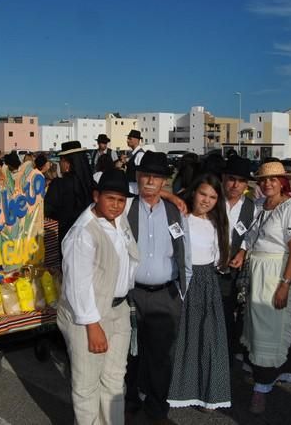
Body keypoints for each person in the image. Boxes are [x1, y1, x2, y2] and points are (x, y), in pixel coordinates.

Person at [58, 169, 138, 425]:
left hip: (119, 309)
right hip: (89, 315)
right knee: (87, 385)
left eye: (121, 200)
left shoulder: (118, 216)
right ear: (96, 196)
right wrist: (93, 326)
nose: (116, 205)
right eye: (110, 198)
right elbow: (76, 285)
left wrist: (174, 198)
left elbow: (148, 195)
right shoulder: (83, 232)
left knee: (115, 379)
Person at [231, 161, 291, 414]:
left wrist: (285, 284)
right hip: (256, 271)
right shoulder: (259, 206)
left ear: (283, 182)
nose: (267, 183)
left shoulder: (290, 208)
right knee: (254, 328)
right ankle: (261, 379)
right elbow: (251, 237)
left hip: (276, 271)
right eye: (263, 180)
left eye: (273, 179)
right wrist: (242, 252)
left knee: (271, 330)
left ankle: (262, 388)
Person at [124, 151, 191, 424]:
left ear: (165, 179)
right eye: (146, 175)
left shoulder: (176, 211)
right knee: (129, 354)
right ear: (138, 177)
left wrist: (181, 295)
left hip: (166, 295)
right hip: (131, 294)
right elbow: (103, 183)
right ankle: (129, 402)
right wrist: (168, 194)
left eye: (157, 176)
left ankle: (157, 407)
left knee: (162, 357)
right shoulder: (126, 204)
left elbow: (185, 254)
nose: (151, 180)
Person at [168, 173, 232, 410]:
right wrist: (173, 197)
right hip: (181, 280)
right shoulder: (179, 216)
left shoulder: (217, 224)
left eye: (213, 197)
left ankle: (208, 393)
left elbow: (218, 260)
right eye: (203, 193)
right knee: (181, 338)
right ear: (193, 192)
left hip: (206, 283)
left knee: (207, 338)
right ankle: (178, 390)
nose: (206, 200)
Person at [219, 156, 255, 358]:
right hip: (209, 267)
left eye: (241, 181)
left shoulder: (251, 207)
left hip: (234, 269)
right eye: (231, 179)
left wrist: (242, 250)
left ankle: (229, 351)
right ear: (223, 178)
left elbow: (253, 234)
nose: (235, 185)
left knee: (231, 310)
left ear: (246, 184)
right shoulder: (212, 200)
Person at [45, 141, 93, 246]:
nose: (60, 164)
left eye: (61, 160)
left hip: (67, 234)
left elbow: (48, 210)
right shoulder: (93, 184)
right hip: (91, 236)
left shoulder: (59, 185)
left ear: (67, 163)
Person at [125, 130, 145, 194]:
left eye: (130, 139)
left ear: (136, 140)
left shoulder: (140, 154)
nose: (127, 141)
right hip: (131, 186)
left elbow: (140, 174)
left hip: (135, 188)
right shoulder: (133, 153)